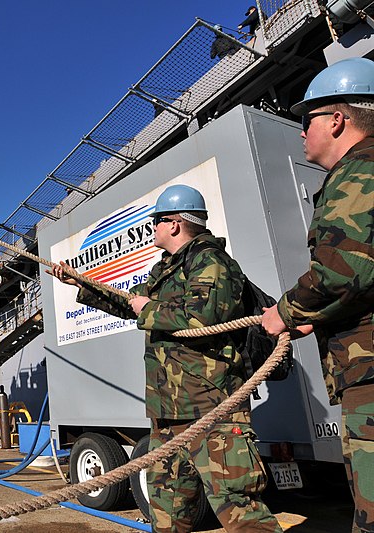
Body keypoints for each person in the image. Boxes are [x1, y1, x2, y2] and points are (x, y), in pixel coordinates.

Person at [48, 185, 281, 533]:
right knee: (168, 509)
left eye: (154, 222)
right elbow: (128, 303)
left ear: (174, 224)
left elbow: (205, 317)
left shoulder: (212, 261)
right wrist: (78, 283)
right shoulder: (166, 270)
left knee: (239, 510)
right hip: (168, 411)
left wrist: (150, 309)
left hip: (210, 408)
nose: (151, 229)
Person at [261, 57, 374, 533]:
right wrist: (318, 317)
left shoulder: (359, 173)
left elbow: (343, 269)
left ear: (337, 119)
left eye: (306, 120)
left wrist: (284, 314)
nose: (301, 132)